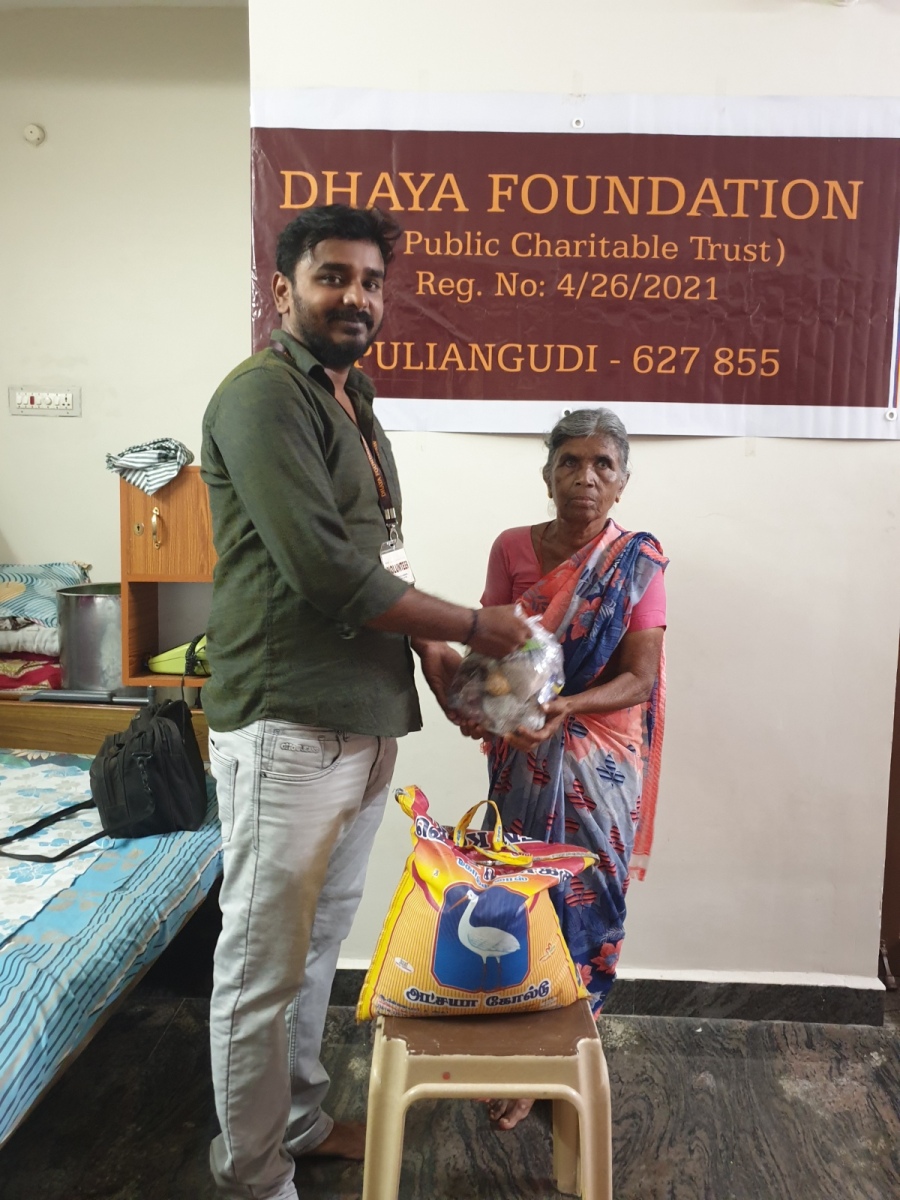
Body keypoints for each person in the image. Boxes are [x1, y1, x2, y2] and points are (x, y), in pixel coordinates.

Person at [200, 203, 528, 1200]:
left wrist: (436, 655)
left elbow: (382, 555)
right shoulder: (263, 398)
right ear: (283, 289)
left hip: (364, 722)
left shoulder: (354, 398)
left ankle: (296, 1121)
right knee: (262, 969)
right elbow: (328, 574)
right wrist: (477, 623)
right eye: (333, 276)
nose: (357, 297)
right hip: (287, 722)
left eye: (372, 282)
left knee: (316, 950)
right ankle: (252, 1174)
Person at [472, 407, 668, 1129]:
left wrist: (569, 706)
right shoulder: (511, 548)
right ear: (548, 473)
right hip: (522, 749)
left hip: (600, 759)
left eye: (602, 464)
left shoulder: (635, 561)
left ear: (622, 481)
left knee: (585, 903)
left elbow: (640, 678)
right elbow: (491, 652)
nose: (586, 477)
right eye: (570, 462)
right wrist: (508, 715)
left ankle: (557, 1058)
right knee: (515, 897)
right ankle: (519, 1051)